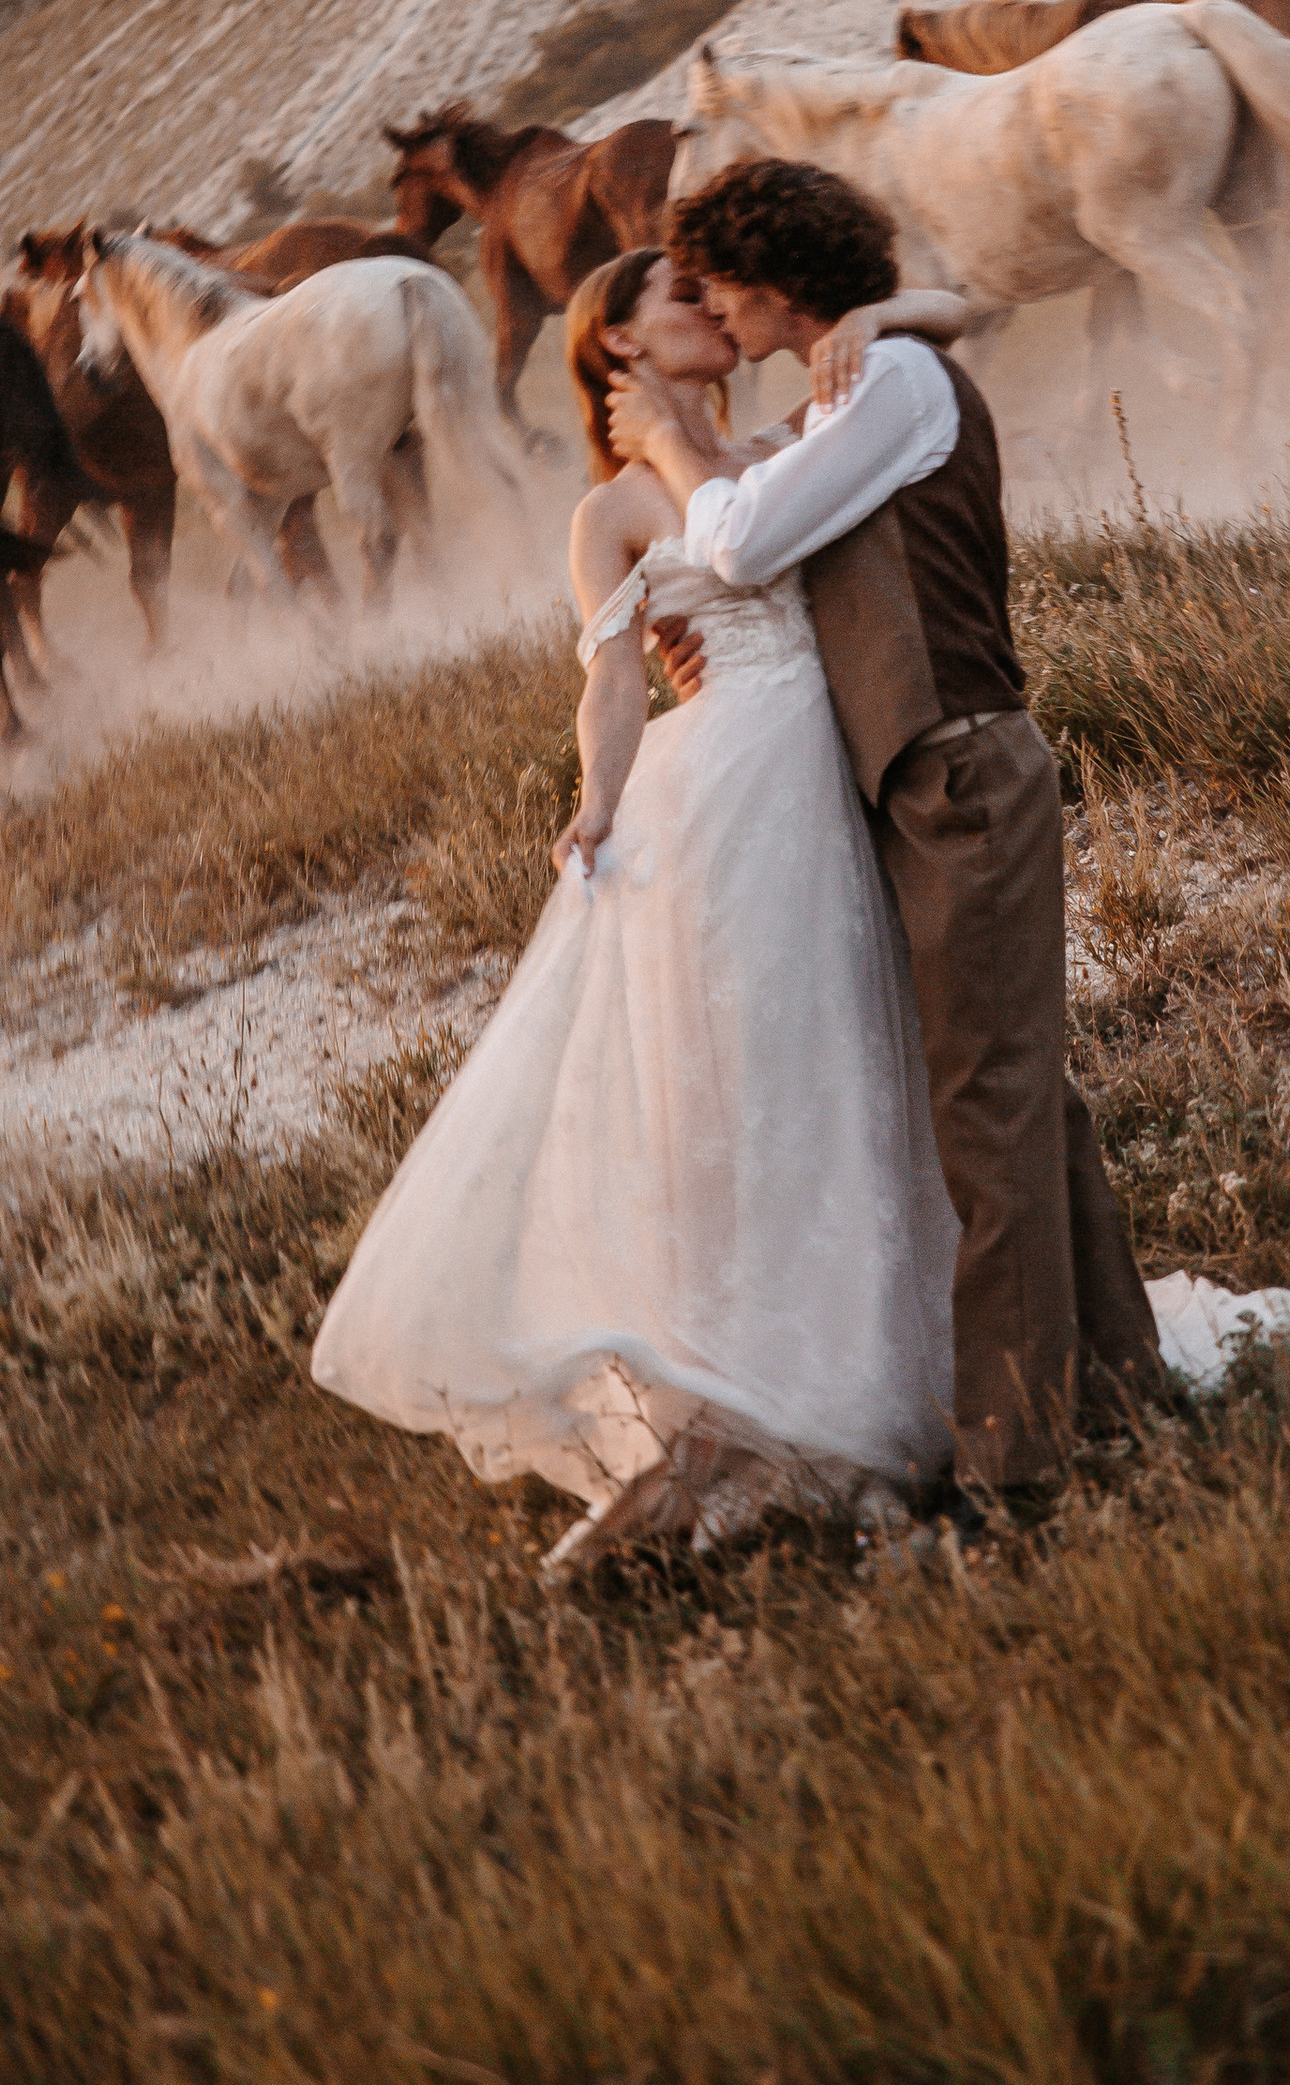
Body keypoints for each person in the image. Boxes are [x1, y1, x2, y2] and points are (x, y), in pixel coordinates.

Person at [310, 242, 972, 1567]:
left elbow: (963, 309)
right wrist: (597, 798)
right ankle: (717, 1394)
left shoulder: (797, 429)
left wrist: (877, 312)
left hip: (826, 786)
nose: (716, 309)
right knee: (714, 1096)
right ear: (616, 345)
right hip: (716, 798)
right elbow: (611, 679)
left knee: (838, 1066)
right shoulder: (610, 511)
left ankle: (856, 1367)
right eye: (682, 300)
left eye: (719, 293)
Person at [613, 157, 1165, 1501]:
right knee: (1023, 1102)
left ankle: (1016, 1468)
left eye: (722, 289)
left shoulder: (893, 386)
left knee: (992, 1117)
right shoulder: (860, 383)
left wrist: (672, 445)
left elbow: (739, 544)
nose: (714, 316)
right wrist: (907, 311)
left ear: (779, 281)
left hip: (962, 773)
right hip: (924, 785)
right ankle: (1119, 1391)